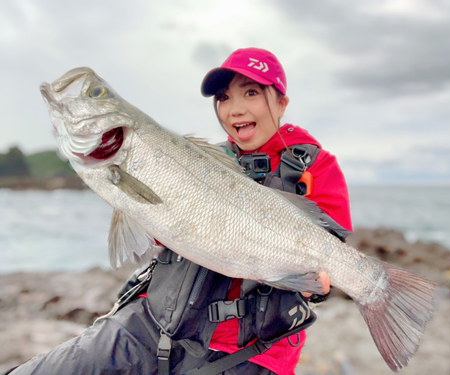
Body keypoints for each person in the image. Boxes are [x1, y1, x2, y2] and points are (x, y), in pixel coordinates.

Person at [6, 48, 351, 375]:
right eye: (224, 98)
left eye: (250, 93)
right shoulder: (200, 160)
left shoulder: (315, 167)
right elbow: (159, 233)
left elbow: (330, 256)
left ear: (281, 102)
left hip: (255, 352)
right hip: (158, 324)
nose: (234, 109)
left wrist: (314, 286)